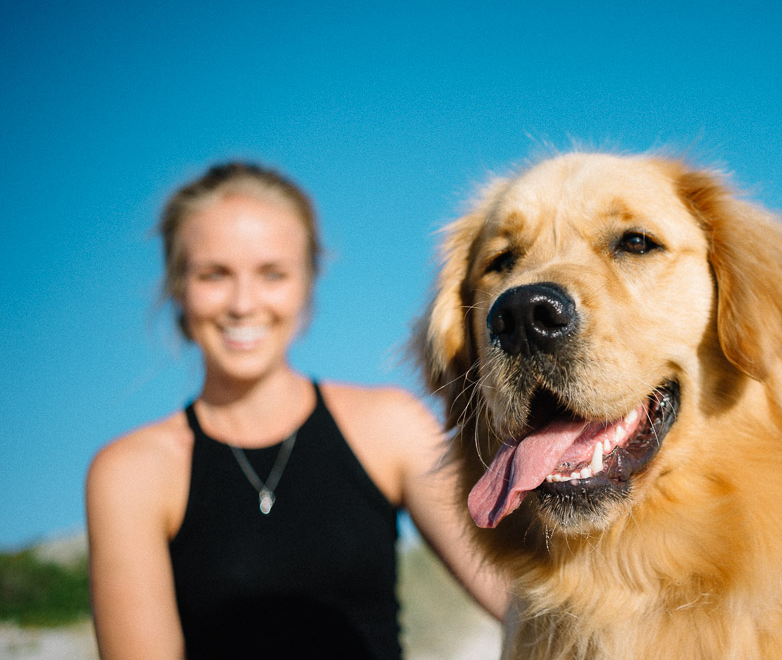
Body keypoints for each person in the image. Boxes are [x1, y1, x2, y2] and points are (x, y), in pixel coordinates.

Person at [86, 161, 508, 660]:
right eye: (214, 274)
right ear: (180, 288)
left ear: (306, 286)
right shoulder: (131, 474)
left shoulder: (388, 428)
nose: (243, 304)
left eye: (272, 274)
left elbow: (527, 599)